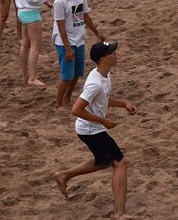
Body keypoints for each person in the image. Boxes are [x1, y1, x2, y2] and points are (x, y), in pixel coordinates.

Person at [53, 41, 136, 218]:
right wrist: (103, 121)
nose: (115, 54)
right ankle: (120, 213)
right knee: (120, 162)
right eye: (112, 53)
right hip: (90, 129)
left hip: (92, 127)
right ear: (103, 58)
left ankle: (63, 175)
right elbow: (76, 109)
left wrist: (124, 103)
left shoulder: (105, 74)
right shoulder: (95, 83)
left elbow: (104, 99)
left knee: (103, 161)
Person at [52, 0, 106, 110]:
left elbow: (85, 16)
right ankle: (58, 104)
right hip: (66, 43)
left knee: (77, 74)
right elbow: (61, 27)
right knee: (66, 76)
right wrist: (68, 48)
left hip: (80, 39)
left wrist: (97, 33)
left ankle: (67, 99)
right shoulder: (60, 2)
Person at [15, 0, 53, 86]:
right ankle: (32, 78)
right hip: (30, 13)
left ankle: (25, 76)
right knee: (35, 46)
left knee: (25, 44)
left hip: (23, 12)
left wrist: (47, 3)